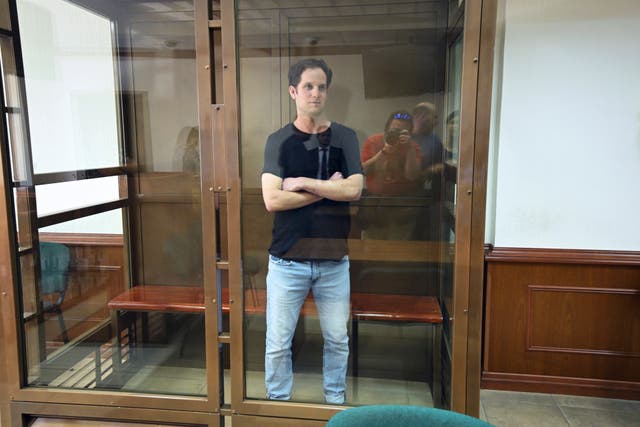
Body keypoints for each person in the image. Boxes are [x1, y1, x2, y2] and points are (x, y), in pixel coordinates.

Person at [261, 58, 363, 404]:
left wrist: (303, 183)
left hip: (334, 262)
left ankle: (334, 405)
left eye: (321, 87)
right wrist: (324, 187)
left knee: (337, 340)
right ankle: (278, 405)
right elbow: (272, 199)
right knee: (278, 343)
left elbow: (353, 190)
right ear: (293, 91)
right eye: (308, 86)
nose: (315, 93)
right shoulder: (279, 141)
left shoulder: (346, 138)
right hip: (287, 261)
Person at [359, 110, 422, 239]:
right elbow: (363, 171)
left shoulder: (412, 147)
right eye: (394, 130)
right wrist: (384, 151)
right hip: (375, 204)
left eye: (402, 132)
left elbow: (412, 176)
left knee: (399, 247)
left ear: (409, 133)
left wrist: (409, 149)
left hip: (402, 206)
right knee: (371, 245)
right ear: (387, 129)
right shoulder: (374, 141)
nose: (397, 135)